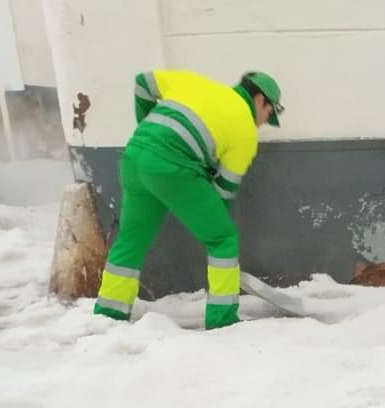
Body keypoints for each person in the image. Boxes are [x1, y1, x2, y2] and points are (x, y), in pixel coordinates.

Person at [93, 70, 283, 331]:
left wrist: (146, 125)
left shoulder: (194, 82)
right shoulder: (245, 132)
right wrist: (211, 220)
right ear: (260, 100)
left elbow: (142, 82)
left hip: (135, 158)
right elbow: (224, 191)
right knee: (223, 238)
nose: (263, 122)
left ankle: (107, 317)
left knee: (131, 240)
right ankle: (223, 321)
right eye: (268, 114)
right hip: (173, 170)